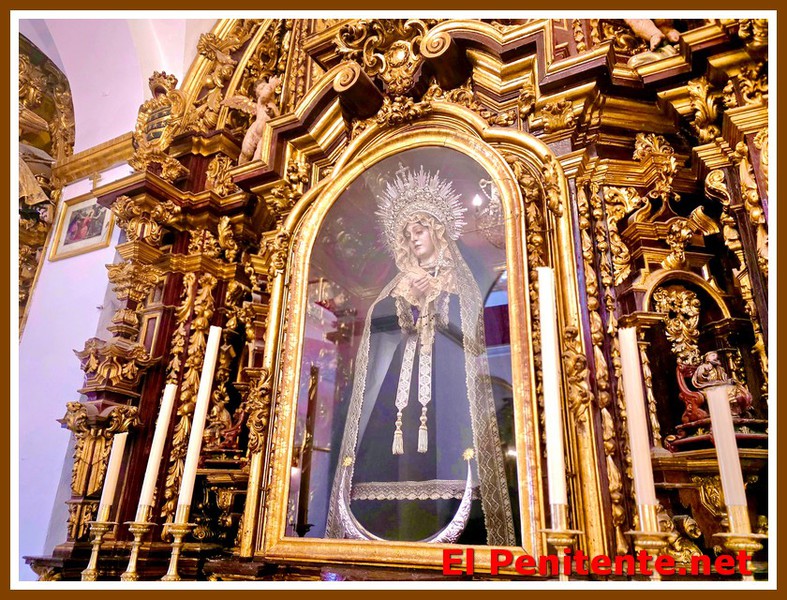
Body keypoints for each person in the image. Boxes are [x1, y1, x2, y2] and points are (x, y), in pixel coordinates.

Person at [325, 167, 516, 546]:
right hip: (405, 375)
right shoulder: (399, 281)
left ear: (438, 232)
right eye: (408, 234)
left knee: (453, 445)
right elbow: (378, 321)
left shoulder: (459, 278)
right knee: (391, 449)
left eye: (420, 230)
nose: (413, 239)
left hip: (447, 374)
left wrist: (437, 297)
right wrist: (408, 301)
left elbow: (472, 325)